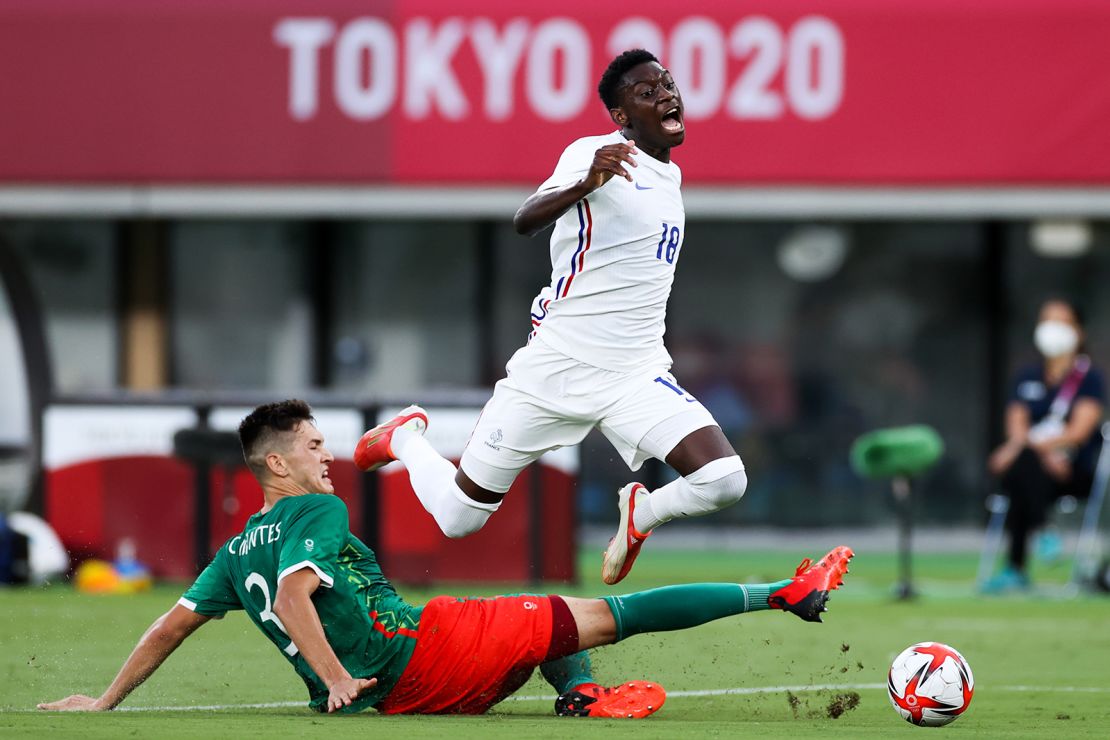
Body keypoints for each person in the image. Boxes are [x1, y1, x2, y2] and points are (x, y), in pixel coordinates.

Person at [39, 400, 853, 717]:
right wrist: (335, 680)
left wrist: (106, 701)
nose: (328, 460)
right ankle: (783, 593)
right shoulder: (316, 508)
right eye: (316, 447)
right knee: (612, 615)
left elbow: (171, 627)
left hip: (409, 667)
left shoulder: (229, 551)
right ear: (277, 465)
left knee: (548, 620)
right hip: (416, 661)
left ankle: (579, 700)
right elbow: (293, 595)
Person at [354, 49, 747, 585]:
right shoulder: (597, 151)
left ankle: (642, 514)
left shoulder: (669, 179)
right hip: (555, 369)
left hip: (634, 375)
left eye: (668, 85)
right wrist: (586, 181)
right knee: (459, 518)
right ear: (621, 117)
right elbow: (524, 221)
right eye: (647, 92)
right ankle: (405, 438)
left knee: (724, 480)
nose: (666, 96)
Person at [985, 298, 1105, 591]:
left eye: (1060, 322)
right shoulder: (1027, 376)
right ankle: (1044, 531)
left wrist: (1023, 449)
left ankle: (1016, 568)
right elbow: (1016, 422)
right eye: (1046, 321)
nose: (1052, 329)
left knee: (1018, 467)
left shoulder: (1090, 378)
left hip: (1071, 470)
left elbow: (1078, 431)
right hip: (1036, 470)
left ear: (1078, 331)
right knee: (1023, 467)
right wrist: (1027, 449)